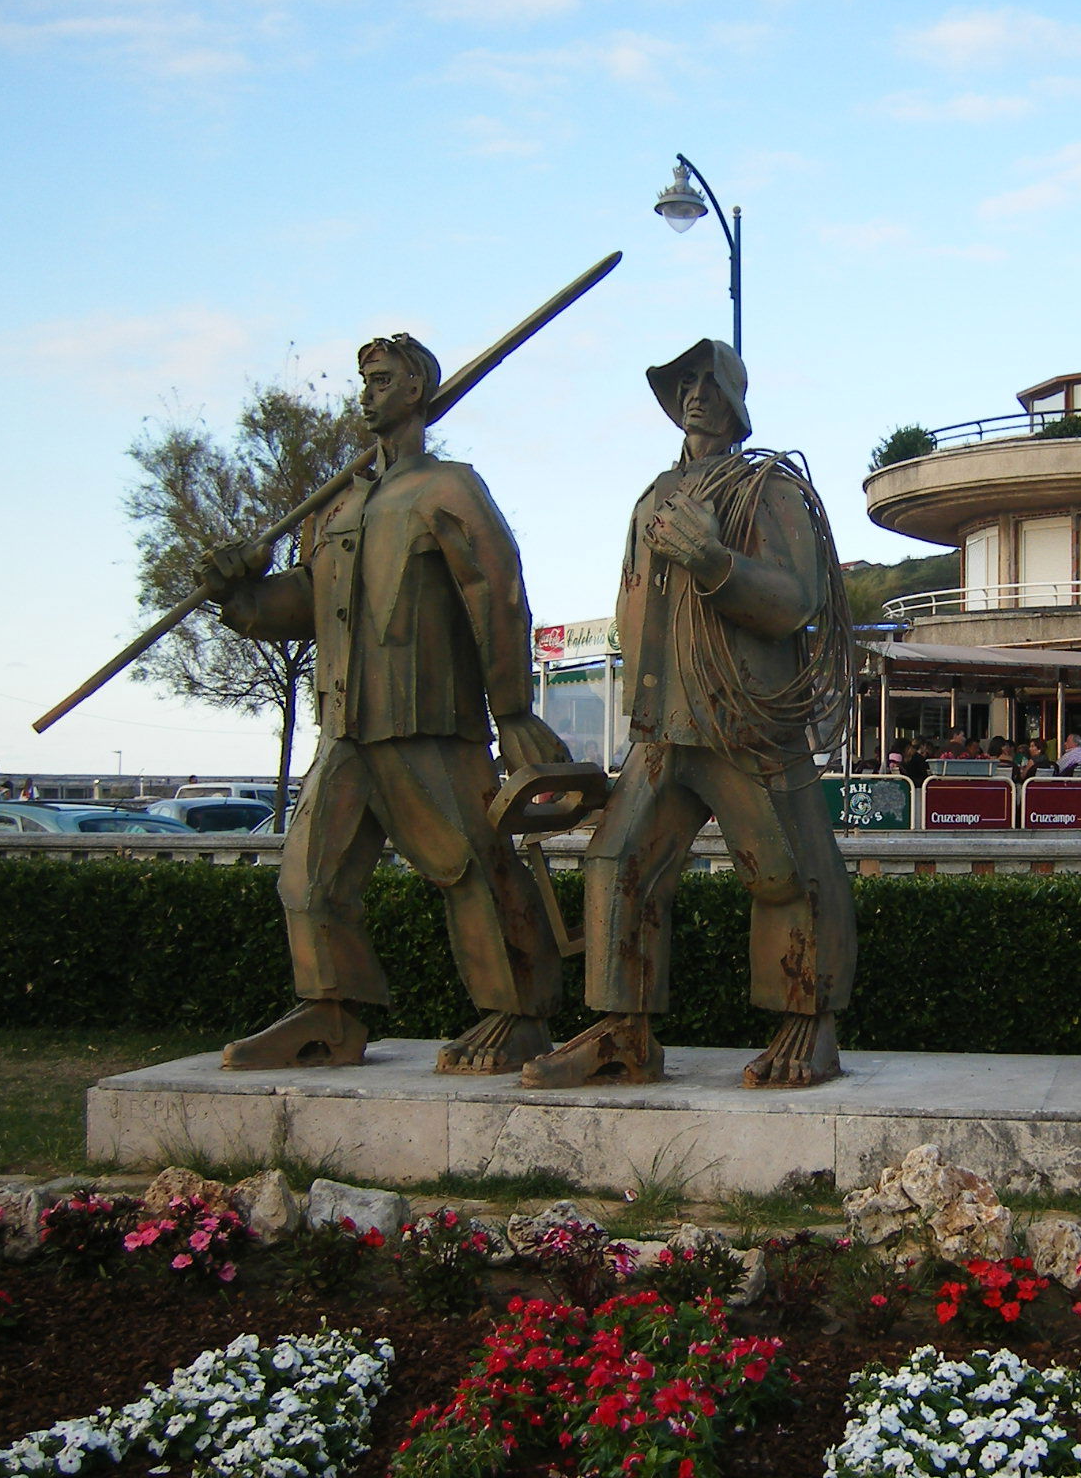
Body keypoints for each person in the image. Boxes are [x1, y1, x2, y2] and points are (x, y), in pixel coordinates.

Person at [201, 333, 566, 1075]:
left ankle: (518, 1015)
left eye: (381, 379)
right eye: (363, 380)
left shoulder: (449, 489)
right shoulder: (336, 503)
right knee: (309, 877)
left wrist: (513, 710)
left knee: (469, 866)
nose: (365, 392)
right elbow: (307, 600)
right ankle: (331, 1014)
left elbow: (497, 595)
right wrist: (240, 596)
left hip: (428, 720)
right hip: (346, 724)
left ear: (416, 391)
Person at [523, 339, 855, 1090]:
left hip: (742, 718)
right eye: (684, 382)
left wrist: (715, 561)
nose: (696, 393)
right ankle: (623, 1029)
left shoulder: (768, 488)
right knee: (618, 862)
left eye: (709, 381)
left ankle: (810, 1024)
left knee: (787, 872)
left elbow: (796, 599)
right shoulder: (653, 494)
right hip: (662, 723)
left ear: (736, 398)